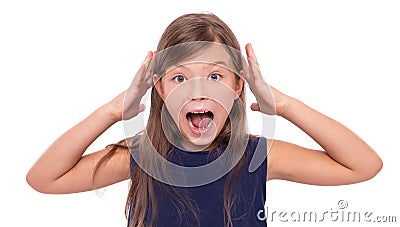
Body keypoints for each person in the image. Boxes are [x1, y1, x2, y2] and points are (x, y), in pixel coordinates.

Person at [26, 13, 382, 227]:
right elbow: (44, 178)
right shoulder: (140, 156)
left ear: (237, 87)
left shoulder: (257, 157)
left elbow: (363, 165)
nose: (198, 93)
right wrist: (112, 111)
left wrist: (283, 104)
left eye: (215, 77)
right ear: (161, 89)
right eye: (180, 78)